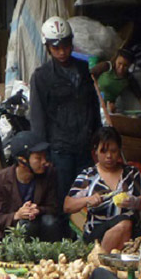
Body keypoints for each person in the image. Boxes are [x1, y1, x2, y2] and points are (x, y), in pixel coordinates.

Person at [29, 16, 102, 205]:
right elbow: (38, 117)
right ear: (48, 48)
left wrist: (98, 139)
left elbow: (93, 106)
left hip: (84, 146)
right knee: (62, 197)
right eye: (56, 48)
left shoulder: (83, 69)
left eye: (66, 46)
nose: (62, 52)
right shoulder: (42, 77)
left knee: (87, 194)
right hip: (60, 149)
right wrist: (43, 153)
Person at [64, 127, 141, 252]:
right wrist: (87, 200)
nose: (109, 156)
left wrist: (134, 201)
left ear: (120, 151)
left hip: (131, 230)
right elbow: (68, 206)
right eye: (103, 151)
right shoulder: (88, 176)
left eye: (113, 151)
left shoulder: (131, 173)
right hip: (98, 232)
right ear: (95, 152)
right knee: (124, 223)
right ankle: (100, 260)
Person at [0, 131, 64, 242]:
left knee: (50, 222)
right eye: (38, 158)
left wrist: (37, 209)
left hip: (41, 229)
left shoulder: (49, 173)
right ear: (22, 161)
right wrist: (17, 215)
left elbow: (54, 207)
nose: (44, 162)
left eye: (44, 157)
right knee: (25, 226)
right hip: (14, 234)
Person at [91, 48, 141, 119]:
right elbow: (90, 75)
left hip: (108, 108)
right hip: (93, 100)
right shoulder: (106, 67)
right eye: (119, 63)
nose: (121, 68)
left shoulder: (129, 78)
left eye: (125, 66)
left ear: (130, 66)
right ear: (115, 61)